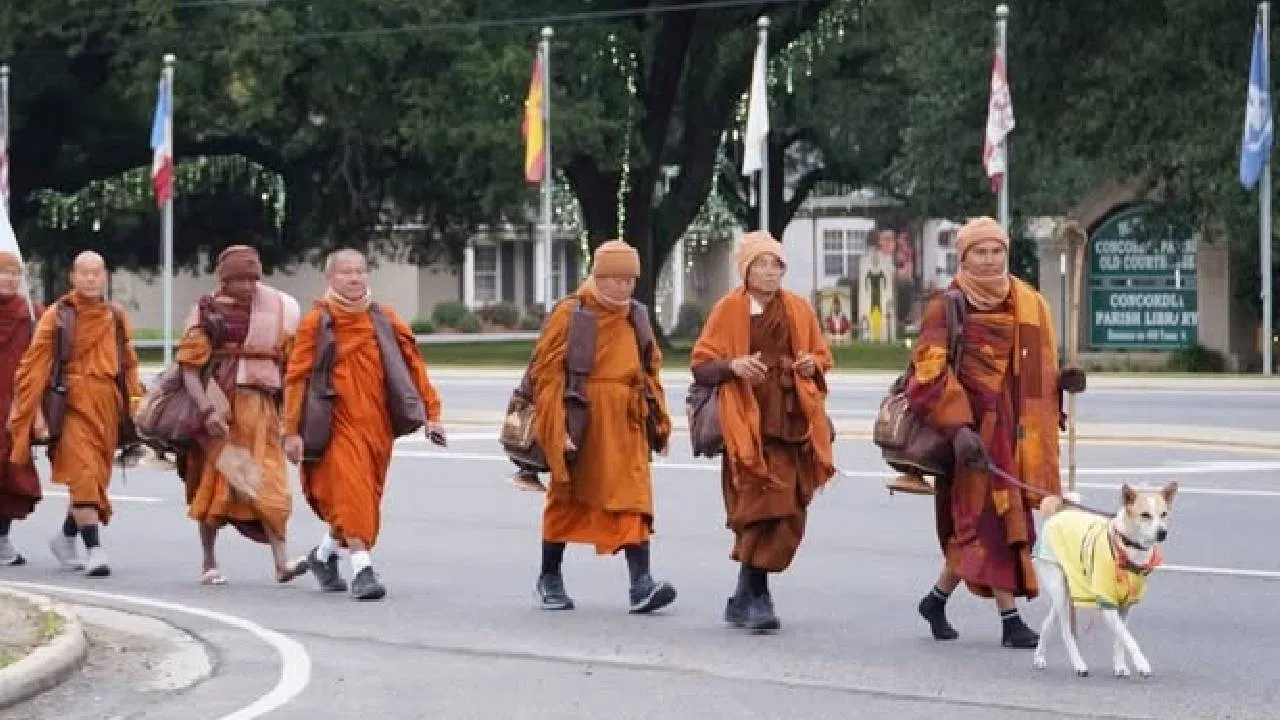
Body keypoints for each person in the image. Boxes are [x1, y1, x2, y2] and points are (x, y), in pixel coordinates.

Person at [905, 216, 1086, 648]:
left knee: (991, 524)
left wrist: (1064, 380)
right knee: (992, 523)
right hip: (970, 435)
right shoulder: (946, 306)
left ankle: (935, 600)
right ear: (963, 258)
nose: (989, 260)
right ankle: (1010, 620)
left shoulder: (1029, 303)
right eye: (979, 253)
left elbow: (1034, 371)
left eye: (996, 251)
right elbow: (926, 374)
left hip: (1018, 434)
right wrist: (958, 428)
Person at [690, 231, 835, 632]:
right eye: (761, 264)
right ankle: (759, 596)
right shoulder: (728, 310)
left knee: (788, 511)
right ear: (746, 270)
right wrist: (733, 366)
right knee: (757, 509)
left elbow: (822, 357)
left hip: (790, 421)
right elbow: (701, 365)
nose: (770, 273)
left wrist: (809, 366)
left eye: (777, 265)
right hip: (748, 424)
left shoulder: (798, 309)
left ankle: (743, 597)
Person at [283, 249, 445, 601]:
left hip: (376, 424)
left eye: (360, 271)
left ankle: (323, 556)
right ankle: (362, 569)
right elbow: (296, 378)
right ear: (330, 278)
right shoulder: (317, 322)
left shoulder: (383, 318)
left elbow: (413, 366)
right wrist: (291, 431)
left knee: (364, 497)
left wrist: (431, 413)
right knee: (350, 491)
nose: (354, 279)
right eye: (346, 273)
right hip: (334, 422)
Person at [530, 239, 675, 614]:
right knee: (567, 497)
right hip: (581, 419)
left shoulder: (637, 315)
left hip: (627, 423)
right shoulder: (572, 312)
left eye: (630, 279)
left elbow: (650, 369)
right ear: (597, 275)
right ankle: (549, 576)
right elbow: (545, 375)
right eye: (615, 279)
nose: (623, 287)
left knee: (635, 497)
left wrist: (658, 420)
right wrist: (555, 426)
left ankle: (640, 584)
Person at [176, 245, 309, 585]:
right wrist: (207, 411)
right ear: (225, 280)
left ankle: (282, 562)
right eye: (241, 280)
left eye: (254, 278)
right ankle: (208, 562)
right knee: (215, 490)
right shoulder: (207, 313)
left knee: (271, 486)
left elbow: (291, 363)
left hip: (263, 413)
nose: (249, 287)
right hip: (222, 416)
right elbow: (191, 370)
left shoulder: (277, 308)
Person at [8, 250, 145, 577]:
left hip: (106, 406)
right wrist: (35, 415)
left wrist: (136, 404)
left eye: (96, 273)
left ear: (105, 277)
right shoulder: (58, 315)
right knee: (83, 476)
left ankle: (66, 537)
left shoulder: (115, 316)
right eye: (84, 273)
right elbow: (33, 366)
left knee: (95, 480)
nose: (90, 279)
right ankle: (95, 549)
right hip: (69, 404)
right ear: (73, 277)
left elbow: (128, 364)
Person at [0, 251, 42, 566]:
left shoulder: (30, 315)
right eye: (3, 273)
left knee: (12, 474)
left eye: (15, 274)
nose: (10, 279)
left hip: (16, 407)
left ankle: (2, 537)